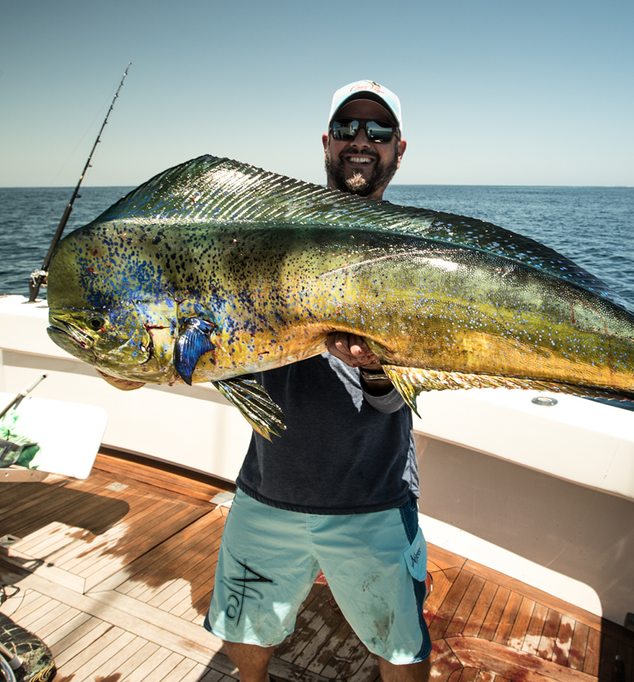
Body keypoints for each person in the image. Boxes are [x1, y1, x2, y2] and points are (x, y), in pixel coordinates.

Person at [204, 80, 431, 682]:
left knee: (401, 650)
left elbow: (395, 401)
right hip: (266, 490)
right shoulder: (267, 241)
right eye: (349, 129)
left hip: (374, 501)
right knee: (244, 636)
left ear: (398, 149)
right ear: (327, 142)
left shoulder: (411, 254)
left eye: (378, 132)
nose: (363, 141)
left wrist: (379, 373)